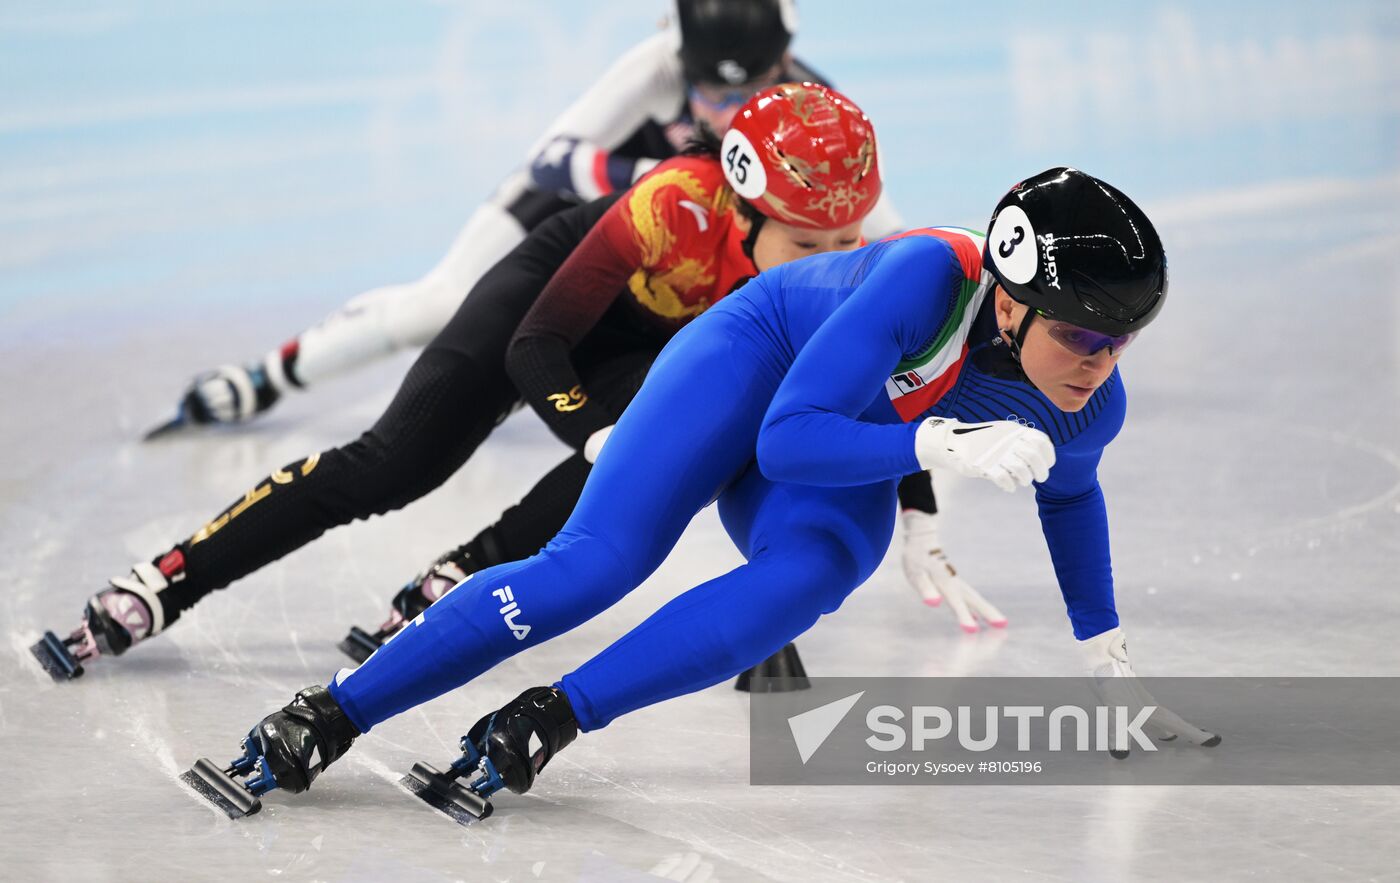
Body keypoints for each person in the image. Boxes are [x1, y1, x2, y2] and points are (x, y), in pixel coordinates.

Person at [192, 166, 1216, 813]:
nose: (1099, 361)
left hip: (841, 426)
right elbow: (790, 438)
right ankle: (330, 711)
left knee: (814, 574)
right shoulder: (921, 278)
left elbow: (1069, 499)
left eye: (1121, 340)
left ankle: (548, 716)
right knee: (592, 568)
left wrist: (1103, 651)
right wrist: (935, 447)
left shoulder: (1088, 401)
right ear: (1007, 297)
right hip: (748, 371)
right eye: (1082, 334)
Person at [34, 83, 980, 685]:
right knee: (392, 466)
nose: (836, 263)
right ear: (741, 205)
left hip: (669, 348)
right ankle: (164, 581)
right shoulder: (670, 209)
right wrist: (595, 434)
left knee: (657, 455)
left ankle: (460, 572)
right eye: (809, 246)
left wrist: (916, 505)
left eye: (850, 243)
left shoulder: (848, 263)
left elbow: (865, 395)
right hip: (551, 312)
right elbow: (538, 348)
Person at [156, 0, 900, 432]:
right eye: (707, 89)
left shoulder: (814, 113)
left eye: (752, 88)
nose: (726, 109)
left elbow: (879, 236)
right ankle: (268, 377)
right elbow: (551, 159)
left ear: (788, 62)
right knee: (438, 305)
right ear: (681, 60)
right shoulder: (654, 69)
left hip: (672, 227)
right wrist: (674, 181)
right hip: (584, 205)